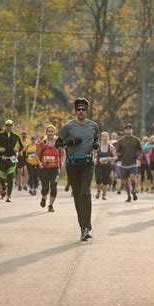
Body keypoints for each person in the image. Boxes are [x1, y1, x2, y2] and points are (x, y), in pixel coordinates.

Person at [57, 98, 100, 241]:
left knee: (85, 193)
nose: (81, 112)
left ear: (86, 111)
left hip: (87, 163)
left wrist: (95, 145)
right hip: (73, 164)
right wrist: (70, 142)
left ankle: (86, 227)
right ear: (75, 111)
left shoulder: (93, 125)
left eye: (83, 109)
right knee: (77, 195)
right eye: (78, 109)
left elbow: (96, 139)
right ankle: (83, 227)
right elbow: (58, 142)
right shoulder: (69, 126)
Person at [0, 119, 24, 202]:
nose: (9, 127)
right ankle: (4, 188)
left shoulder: (16, 136)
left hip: (12, 159)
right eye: (7, 125)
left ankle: (8, 196)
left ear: (12, 126)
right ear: (5, 126)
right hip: (2, 159)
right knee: (2, 178)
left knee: (10, 177)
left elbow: (22, 146)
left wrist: (18, 149)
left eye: (10, 126)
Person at [36, 125, 66, 211]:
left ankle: (50, 205)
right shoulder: (42, 143)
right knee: (45, 188)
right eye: (49, 131)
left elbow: (63, 155)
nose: (50, 133)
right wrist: (39, 163)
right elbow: (36, 154)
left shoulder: (58, 143)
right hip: (44, 169)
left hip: (55, 169)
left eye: (52, 131)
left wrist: (62, 162)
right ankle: (44, 197)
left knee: (54, 187)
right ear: (46, 133)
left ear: (54, 132)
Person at [116, 123, 143, 202]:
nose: (128, 130)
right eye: (126, 128)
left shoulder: (136, 139)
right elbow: (117, 150)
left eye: (130, 128)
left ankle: (133, 191)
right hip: (123, 164)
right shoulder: (121, 140)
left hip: (133, 163)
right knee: (125, 182)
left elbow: (141, 149)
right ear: (124, 130)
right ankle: (129, 196)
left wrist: (137, 154)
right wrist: (119, 155)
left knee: (133, 178)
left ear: (132, 130)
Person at [94, 131, 117, 200]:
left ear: (108, 137)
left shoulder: (111, 147)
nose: (105, 138)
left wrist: (111, 158)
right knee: (98, 180)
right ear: (101, 137)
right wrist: (94, 159)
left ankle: (104, 195)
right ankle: (98, 191)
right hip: (98, 165)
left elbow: (116, 156)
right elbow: (93, 154)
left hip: (107, 166)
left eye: (106, 136)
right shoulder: (98, 146)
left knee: (105, 181)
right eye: (103, 136)